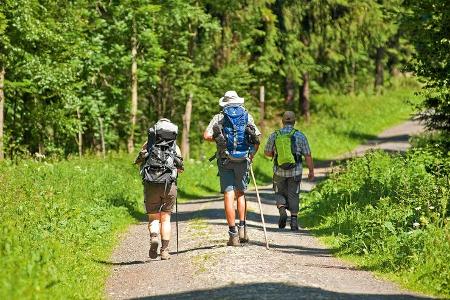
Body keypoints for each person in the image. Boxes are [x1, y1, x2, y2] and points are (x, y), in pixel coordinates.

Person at [203, 90, 261, 246]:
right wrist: (251, 155)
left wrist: (219, 139)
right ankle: (243, 228)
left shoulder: (219, 117)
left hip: (225, 159)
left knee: (229, 194)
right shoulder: (247, 116)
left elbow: (206, 136)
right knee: (240, 193)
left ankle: (232, 234)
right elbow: (256, 138)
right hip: (243, 159)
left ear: (224, 103)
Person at [134, 118, 184, 260]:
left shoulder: (149, 143)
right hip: (169, 185)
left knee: (154, 217)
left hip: (151, 184)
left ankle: (154, 237)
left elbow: (138, 160)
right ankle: (165, 251)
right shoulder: (174, 145)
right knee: (166, 217)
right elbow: (180, 168)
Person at [264, 111, 314, 231]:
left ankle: (282, 211)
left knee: (279, 192)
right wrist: (311, 171)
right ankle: (294, 222)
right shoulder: (300, 135)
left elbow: (266, 152)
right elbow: (308, 155)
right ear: (294, 121)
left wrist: (276, 155)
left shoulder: (274, 135)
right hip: (295, 171)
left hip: (279, 171)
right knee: (294, 194)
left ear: (282, 121)